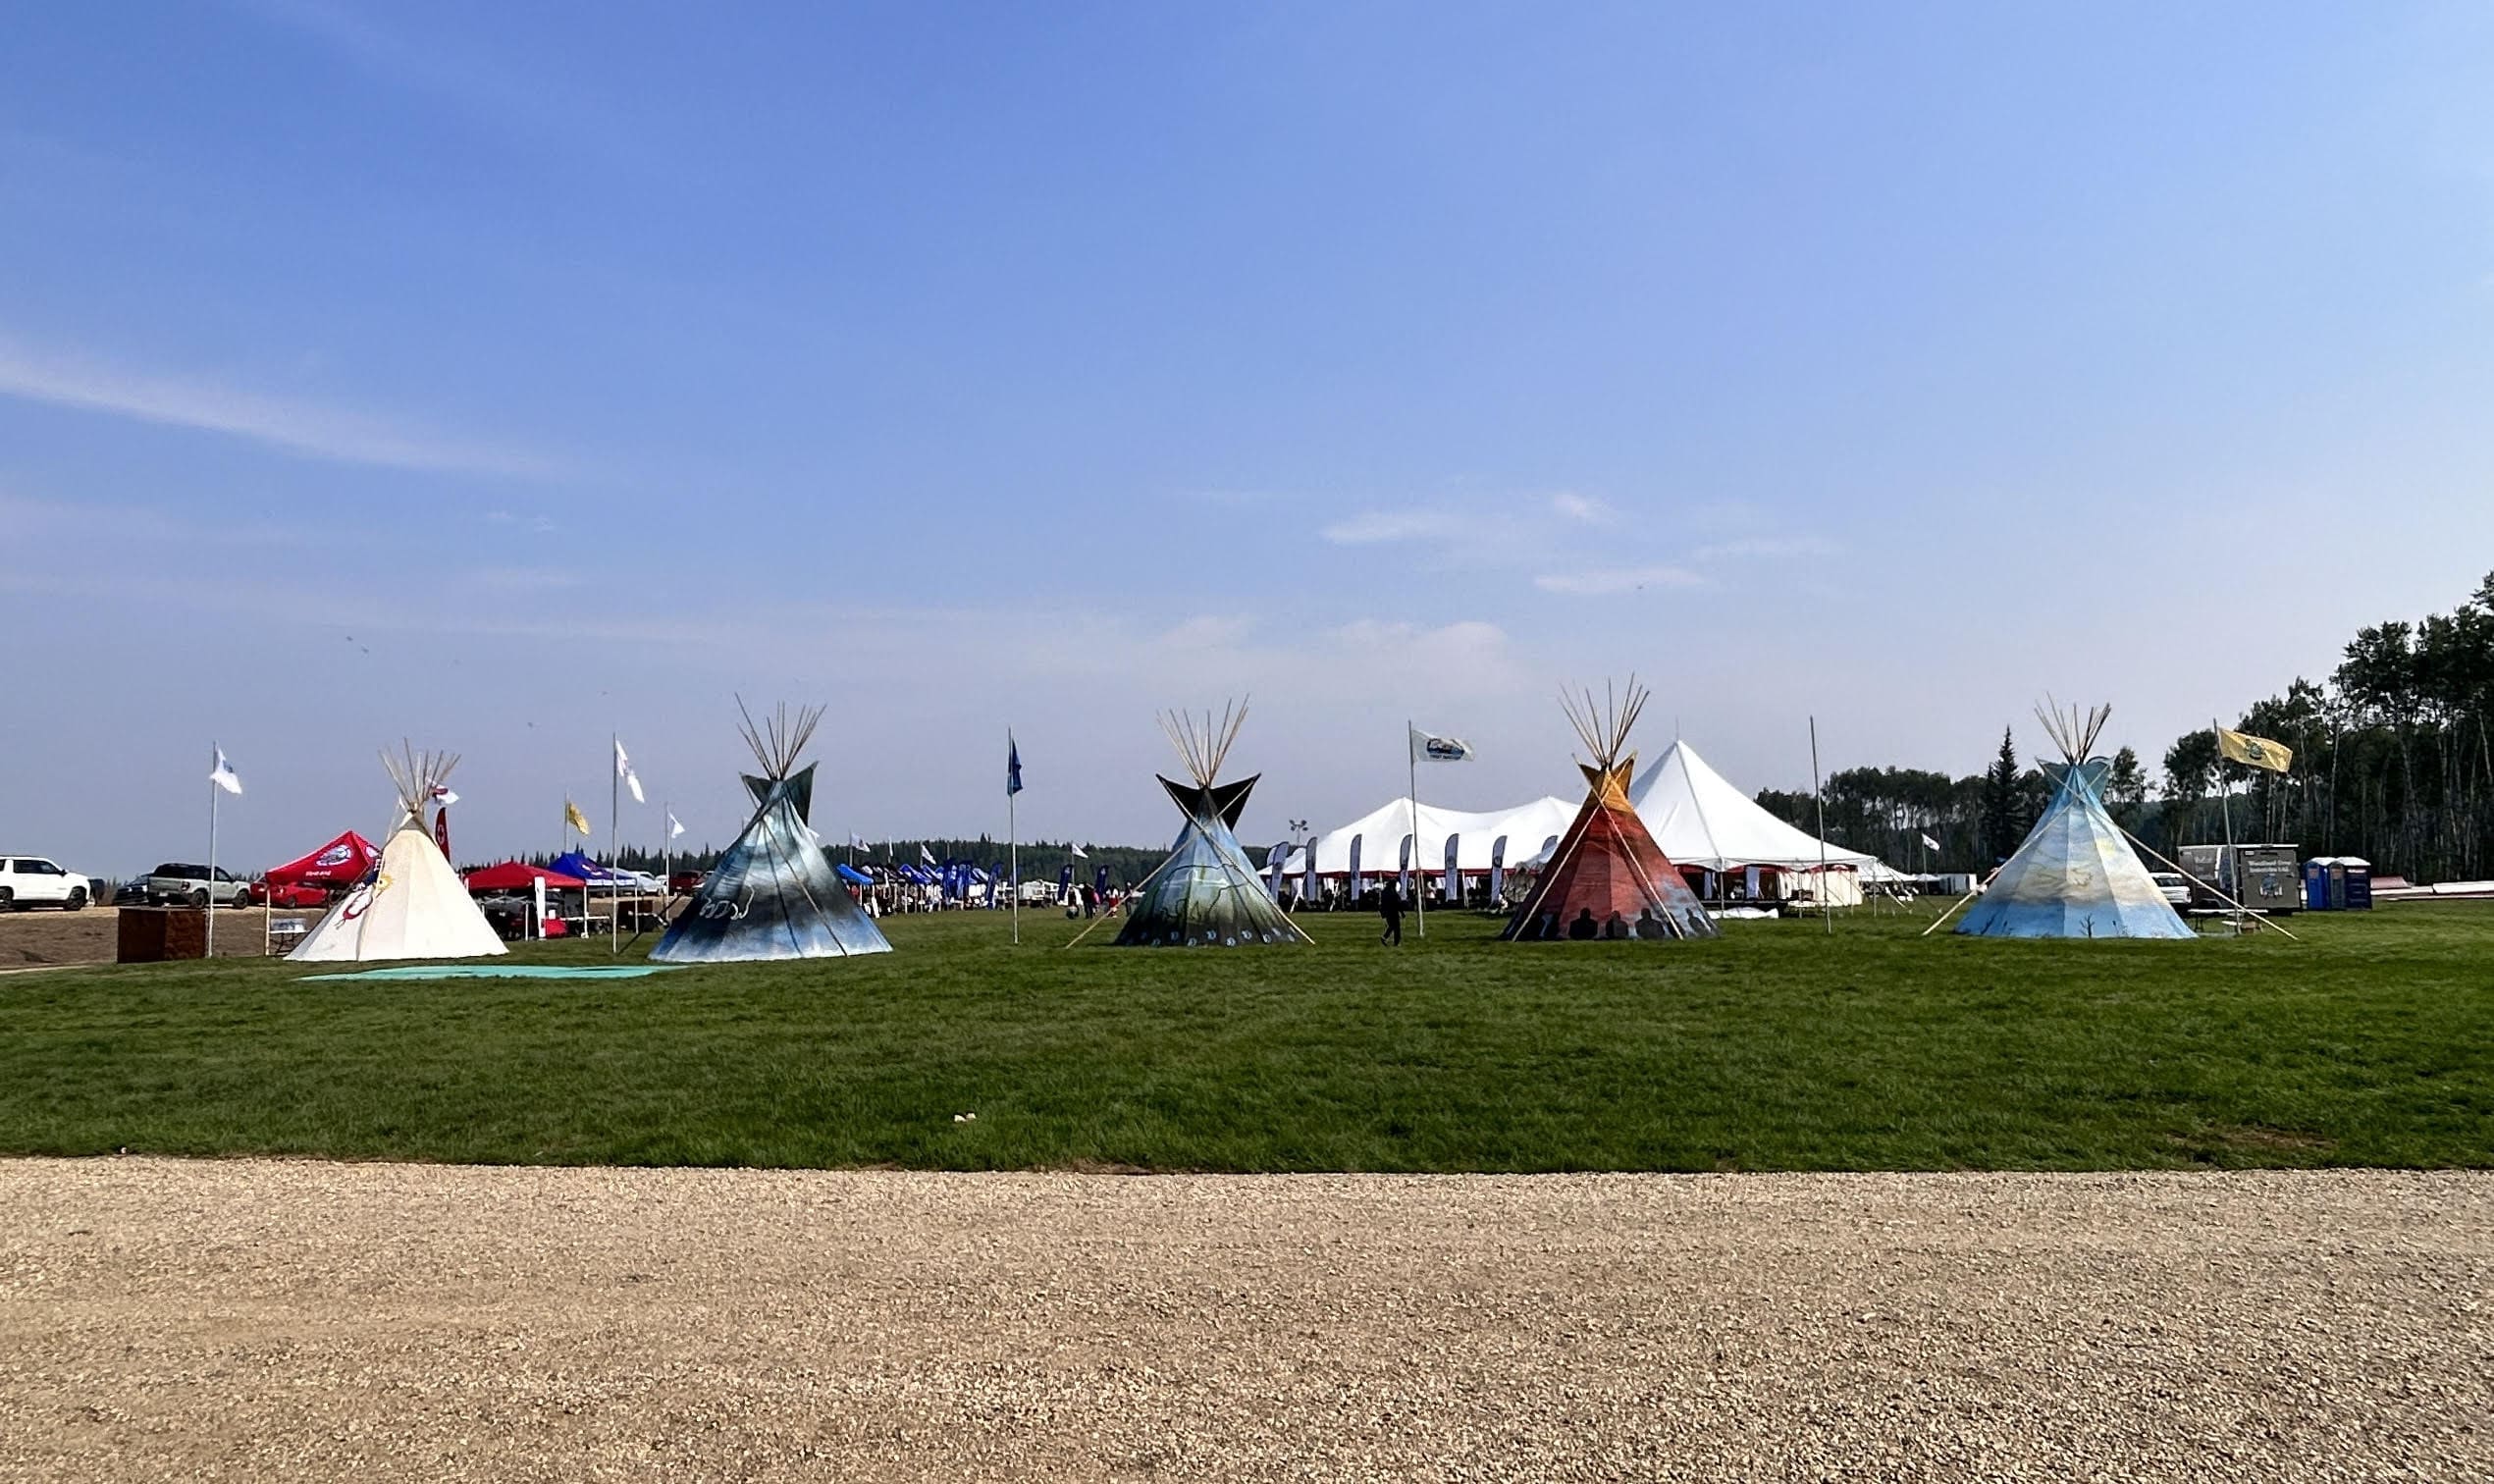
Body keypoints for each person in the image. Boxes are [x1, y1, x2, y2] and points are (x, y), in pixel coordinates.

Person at [1378, 881, 1404, 946]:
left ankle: (1384, 937)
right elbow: (1398, 904)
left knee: (1391, 926)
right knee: (1397, 928)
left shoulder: (1384, 892)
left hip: (1387, 912)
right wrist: (1402, 912)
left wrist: (1382, 914)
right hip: (1394, 912)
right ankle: (1396, 942)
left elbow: (1381, 904)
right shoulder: (1394, 893)